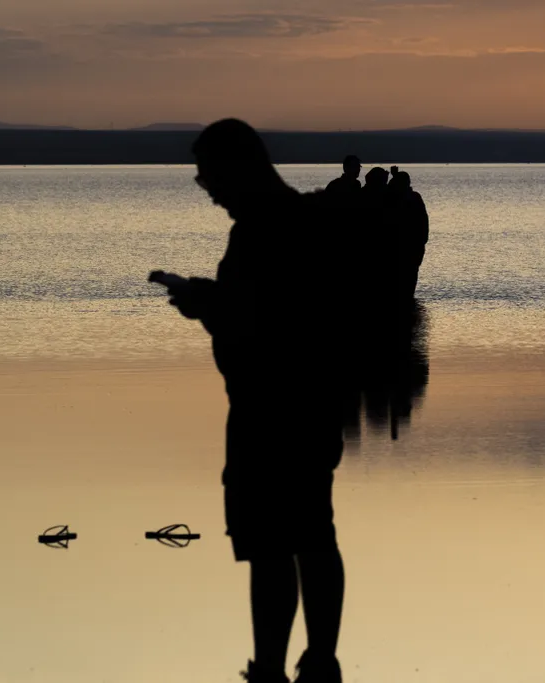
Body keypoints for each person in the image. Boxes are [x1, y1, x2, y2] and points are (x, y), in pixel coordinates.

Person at [154, 119, 346, 683]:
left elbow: (262, 322)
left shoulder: (263, 231)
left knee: (274, 543)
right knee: (309, 534)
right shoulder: (300, 223)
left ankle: (271, 669)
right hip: (309, 407)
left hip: (272, 412)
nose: (203, 185)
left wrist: (201, 304)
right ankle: (318, 661)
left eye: (207, 173)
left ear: (236, 168)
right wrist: (209, 298)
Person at [388, 166, 429, 299]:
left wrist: (422, 241)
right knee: (406, 278)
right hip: (406, 246)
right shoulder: (401, 198)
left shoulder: (412, 198)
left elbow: (423, 221)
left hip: (413, 246)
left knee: (409, 277)